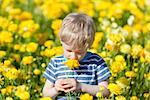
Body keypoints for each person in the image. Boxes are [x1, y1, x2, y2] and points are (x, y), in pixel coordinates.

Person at [42, 13, 111, 99]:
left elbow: (106, 91)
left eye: (79, 52)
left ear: (89, 45)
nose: (73, 56)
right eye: (69, 50)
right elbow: (45, 94)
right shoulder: (55, 63)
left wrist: (81, 87)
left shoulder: (96, 62)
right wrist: (56, 89)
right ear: (61, 41)